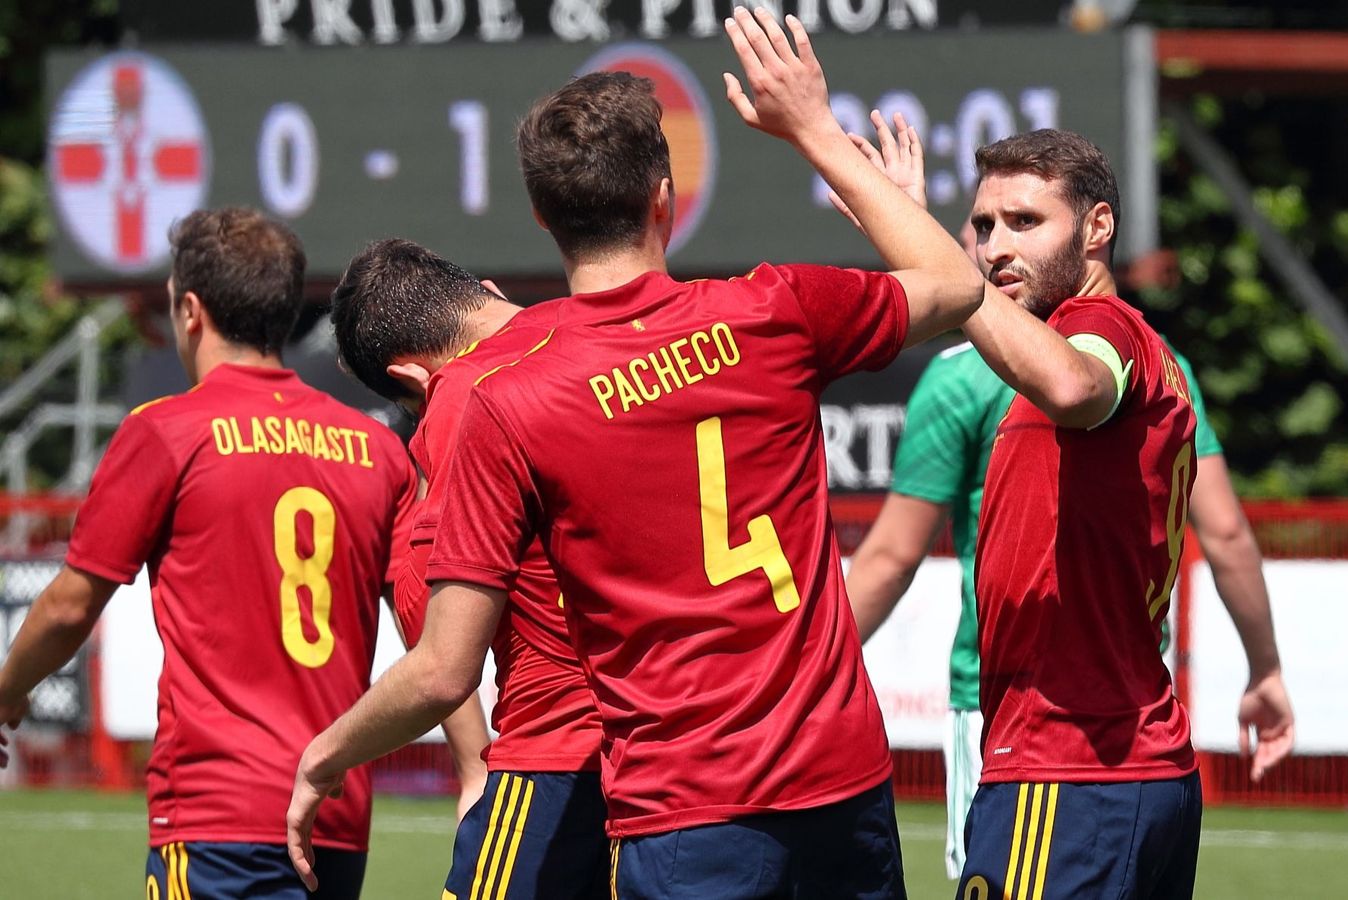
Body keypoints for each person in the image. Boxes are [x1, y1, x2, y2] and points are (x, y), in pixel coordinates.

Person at [287, 10, 984, 897]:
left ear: (541, 218)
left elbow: (444, 667)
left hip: (682, 805)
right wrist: (815, 130)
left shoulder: (506, 398)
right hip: (840, 785)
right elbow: (957, 281)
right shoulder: (770, 311)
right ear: (666, 197)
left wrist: (322, 757)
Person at [840, 123, 1293, 881]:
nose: (996, 247)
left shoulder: (1096, 331)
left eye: (1025, 221)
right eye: (984, 226)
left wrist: (820, 139)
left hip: (1065, 759)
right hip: (1125, 756)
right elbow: (1225, 533)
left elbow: (1072, 385)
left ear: (1097, 226)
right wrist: (1266, 667)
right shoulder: (1163, 359)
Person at [0, 207, 416, 900]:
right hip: (336, 814)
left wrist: (7, 692)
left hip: (218, 811)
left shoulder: (167, 430)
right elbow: (432, 640)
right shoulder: (377, 450)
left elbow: (72, 606)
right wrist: (474, 766)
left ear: (190, 311)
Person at [328, 238, 609, 898]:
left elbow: (439, 653)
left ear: (410, 377)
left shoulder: (463, 394)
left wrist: (323, 758)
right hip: (692, 752)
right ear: (491, 290)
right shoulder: (612, 332)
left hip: (561, 754)